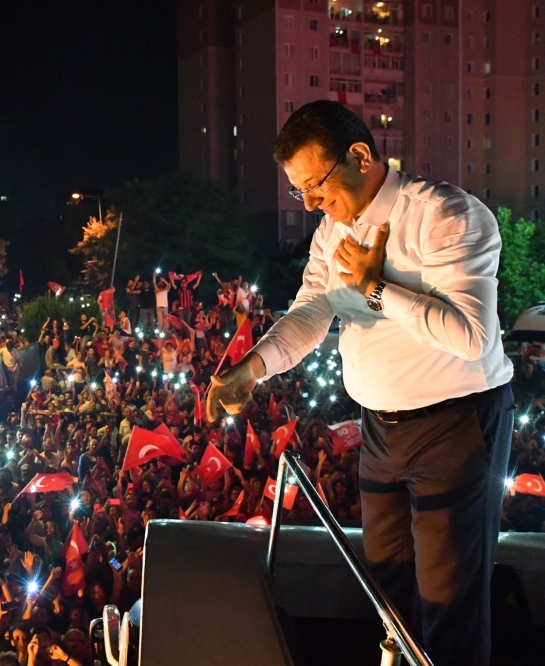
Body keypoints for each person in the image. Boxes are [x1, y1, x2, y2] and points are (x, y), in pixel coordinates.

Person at [209, 100, 514, 666]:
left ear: (359, 155)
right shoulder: (331, 234)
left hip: (454, 424)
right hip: (380, 430)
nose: (311, 203)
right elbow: (309, 315)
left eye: (316, 185)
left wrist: (379, 291)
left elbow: (473, 336)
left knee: (450, 603)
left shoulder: (446, 215)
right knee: (388, 593)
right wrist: (251, 369)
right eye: (300, 191)